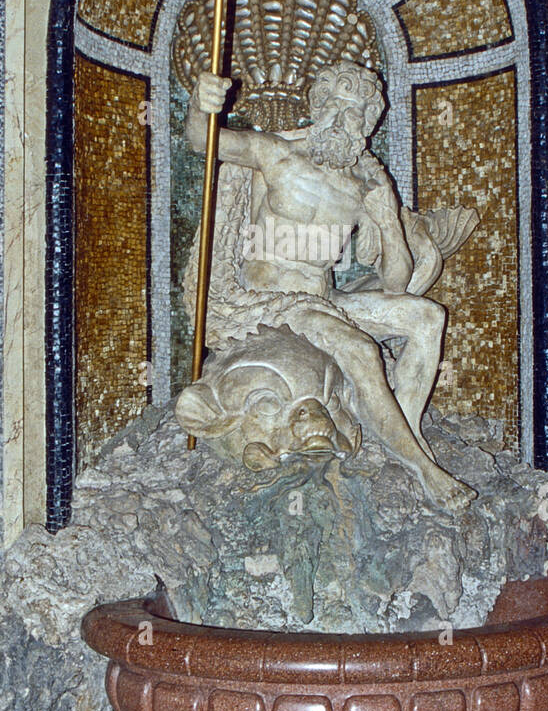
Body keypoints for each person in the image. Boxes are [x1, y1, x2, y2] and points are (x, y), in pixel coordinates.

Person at [186, 61, 475, 510]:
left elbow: (397, 283)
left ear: (368, 125)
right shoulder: (275, 154)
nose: (346, 121)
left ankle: (407, 430)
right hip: (268, 301)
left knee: (427, 316)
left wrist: (387, 219)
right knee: (359, 350)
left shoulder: (365, 182)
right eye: (339, 107)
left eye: (359, 114)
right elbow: (205, 142)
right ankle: (423, 469)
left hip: (322, 300)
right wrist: (200, 104)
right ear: (318, 106)